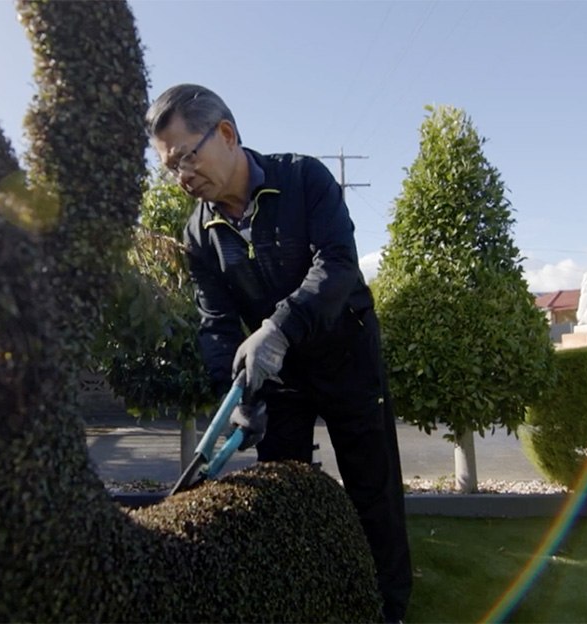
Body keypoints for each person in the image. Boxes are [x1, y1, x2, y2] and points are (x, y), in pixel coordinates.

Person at [146, 84, 412, 623]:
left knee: (372, 492)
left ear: (225, 133)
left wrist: (279, 326)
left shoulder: (303, 179)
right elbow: (216, 322)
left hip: (346, 359)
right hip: (279, 377)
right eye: (170, 169)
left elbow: (338, 265)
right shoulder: (200, 233)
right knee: (283, 495)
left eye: (184, 158)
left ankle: (389, 608)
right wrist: (235, 393)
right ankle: (309, 600)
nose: (181, 177)